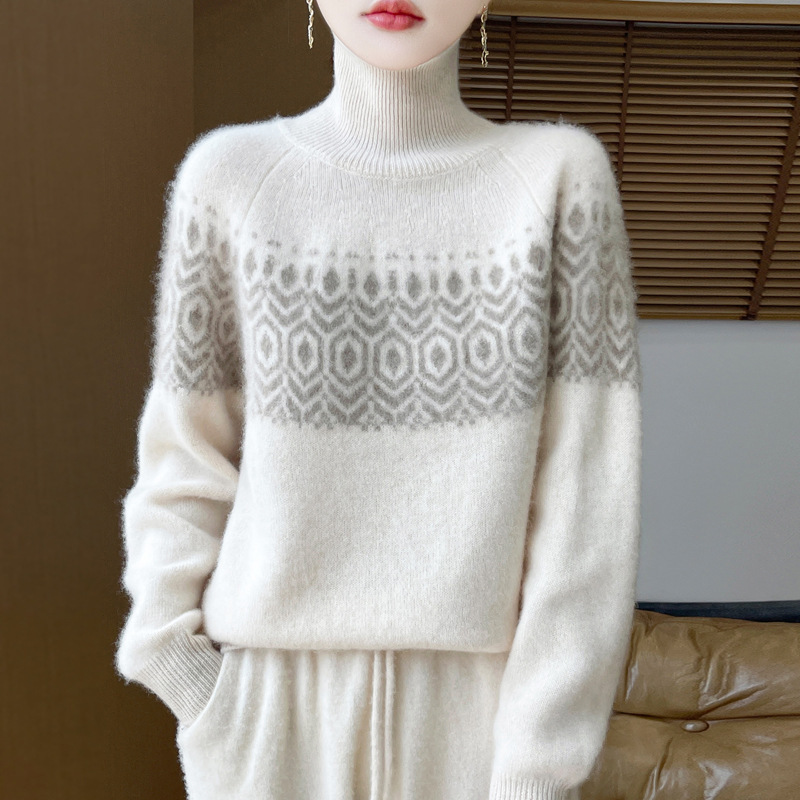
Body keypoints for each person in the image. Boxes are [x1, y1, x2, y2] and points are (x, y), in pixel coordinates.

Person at [114, 1, 643, 799]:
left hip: (486, 726)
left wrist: (538, 768)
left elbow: (588, 509)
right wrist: (181, 670)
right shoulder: (230, 179)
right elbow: (184, 458)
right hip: (265, 723)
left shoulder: (559, 179)